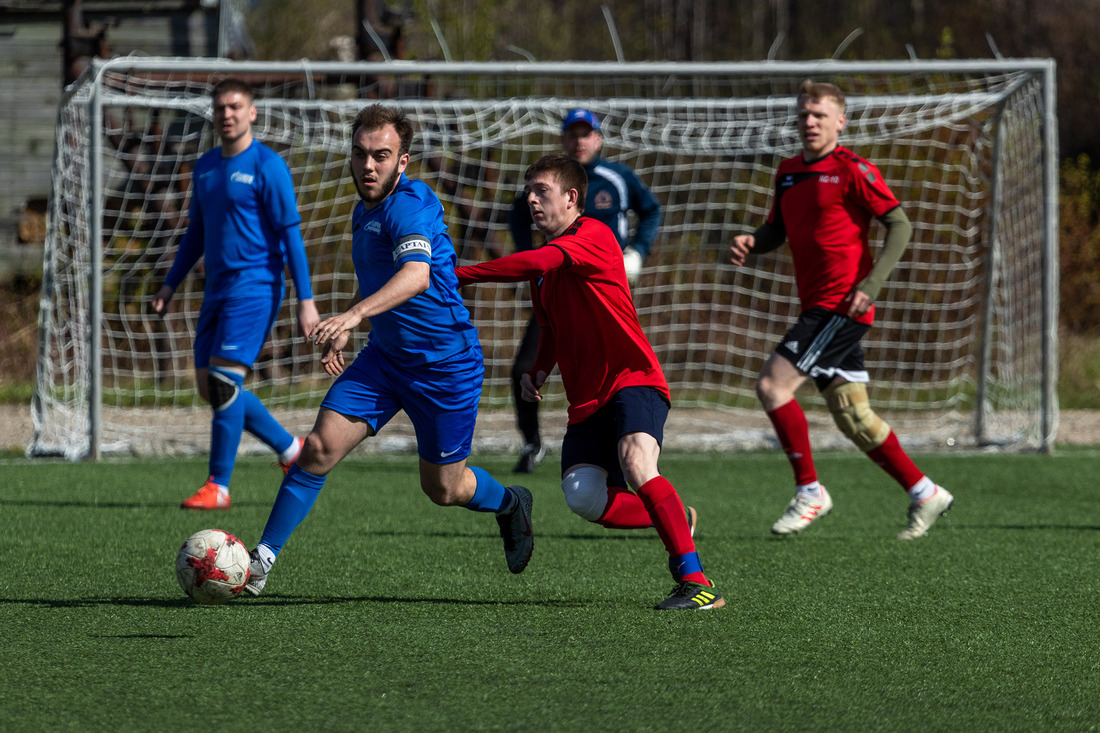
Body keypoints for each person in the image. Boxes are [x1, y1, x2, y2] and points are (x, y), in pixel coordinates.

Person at [244, 104, 533, 596]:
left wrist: (352, 316)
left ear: (403, 162)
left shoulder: (410, 205)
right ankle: (260, 564)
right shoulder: (364, 211)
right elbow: (381, 278)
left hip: (445, 366)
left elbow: (416, 276)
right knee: (316, 449)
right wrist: (352, 324)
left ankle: (509, 502)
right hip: (384, 360)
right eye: (360, 154)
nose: (369, 165)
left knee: (443, 489)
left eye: (382, 155)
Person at [457, 154, 722, 611]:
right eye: (529, 191)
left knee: (638, 463)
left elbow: (536, 261)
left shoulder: (593, 235)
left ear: (572, 198)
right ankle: (678, 517)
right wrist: (537, 370)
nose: (532, 199)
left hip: (633, 378)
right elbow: (553, 331)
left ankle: (696, 582)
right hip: (586, 399)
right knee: (584, 498)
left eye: (542, 190)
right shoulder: (544, 279)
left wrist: (454, 275)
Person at [728, 80, 954, 540]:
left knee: (773, 386)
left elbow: (900, 224)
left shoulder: (853, 170)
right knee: (855, 417)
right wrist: (754, 241)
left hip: (841, 306)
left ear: (840, 121)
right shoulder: (788, 172)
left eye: (819, 115)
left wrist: (871, 285)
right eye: (804, 115)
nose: (810, 122)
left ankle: (810, 491)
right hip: (818, 305)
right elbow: (777, 229)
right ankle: (924, 490)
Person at [152, 78, 320, 510]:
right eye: (220, 107)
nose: (227, 114)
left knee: (225, 382)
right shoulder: (205, 166)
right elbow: (196, 233)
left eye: (235, 106)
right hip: (216, 289)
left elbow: (291, 236)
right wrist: (169, 285)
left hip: (256, 287)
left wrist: (306, 300)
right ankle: (291, 450)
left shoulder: (268, 166)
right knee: (212, 388)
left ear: (252, 112)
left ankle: (219, 485)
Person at [506, 108, 662, 474]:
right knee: (525, 369)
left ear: (598, 138)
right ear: (563, 139)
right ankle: (532, 443)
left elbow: (651, 211)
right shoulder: (547, 183)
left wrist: (638, 252)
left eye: (586, 134)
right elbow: (517, 213)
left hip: (607, 297)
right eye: (572, 134)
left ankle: (633, 449)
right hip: (558, 294)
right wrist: (530, 261)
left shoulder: (617, 178)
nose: (579, 141)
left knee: (616, 375)